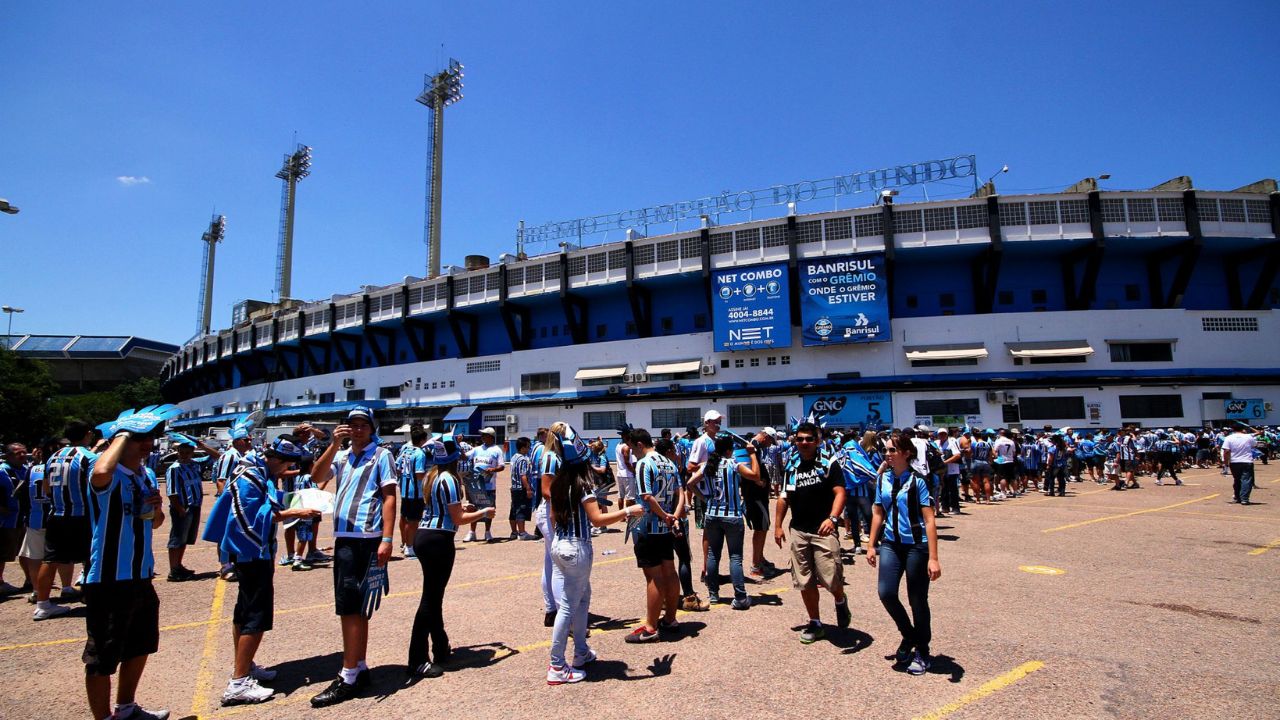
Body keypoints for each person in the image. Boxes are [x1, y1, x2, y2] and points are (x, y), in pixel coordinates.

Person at [204, 438, 321, 705]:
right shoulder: (251, 476)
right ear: (276, 459)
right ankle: (238, 682)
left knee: (244, 612)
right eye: (287, 464)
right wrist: (294, 511)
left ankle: (244, 665)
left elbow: (269, 500)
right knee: (256, 615)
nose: (287, 470)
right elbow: (249, 516)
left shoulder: (257, 470)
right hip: (252, 553)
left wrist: (295, 499)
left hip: (252, 552)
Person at [83, 405, 182, 720]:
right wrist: (123, 434)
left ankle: (126, 708)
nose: (147, 443)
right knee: (102, 655)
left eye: (150, 436)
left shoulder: (148, 473)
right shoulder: (106, 473)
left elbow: (155, 523)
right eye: (139, 438)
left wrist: (156, 510)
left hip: (141, 574)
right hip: (109, 576)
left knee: (141, 644)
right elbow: (100, 475)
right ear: (120, 441)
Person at [309, 407, 399, 708]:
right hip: (345, 537)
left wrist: (387, 538)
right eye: (352, 425)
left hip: (365, 538)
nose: (357, 430)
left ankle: (348, 675)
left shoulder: (381, 456)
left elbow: (389, 496)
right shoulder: (342, 454)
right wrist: (333, 444)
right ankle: (358, 666)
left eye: (363, 425)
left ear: (372, 428)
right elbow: (316, 476)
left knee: (351, 606)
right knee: (354, 606)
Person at [544, 424, 641, 684]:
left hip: (560, 545)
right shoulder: (583, 485)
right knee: (568, 606)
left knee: (583, 599)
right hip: (577, 547)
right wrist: (628, 512)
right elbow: (597, 520)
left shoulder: (557, 485)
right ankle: (556, 665)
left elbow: (553, 518)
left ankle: (581, 652)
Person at [407, 433, 495, 678]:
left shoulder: (433, 476)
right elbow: (458, 519)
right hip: (439, 539)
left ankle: (440, 646)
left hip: (426, 536)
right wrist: (484, 512)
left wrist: (464, 508)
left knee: (434, 596)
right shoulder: (450, 479)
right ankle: (417, 658)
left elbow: (447, 508)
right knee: (430, 599)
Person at [867, 432, 942, 676]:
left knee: (917, 599)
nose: (887, 454)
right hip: (890, 543)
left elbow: (929, 520)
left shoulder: (918, 480)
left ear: (906, 453)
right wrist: (871, 544)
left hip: (916, 546)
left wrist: (933, 557)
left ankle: (922, 649)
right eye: (886, 450)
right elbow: (877, 512)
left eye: (892, 450)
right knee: (886, 593)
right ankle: (909, 635)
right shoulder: (882, 480)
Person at [773, 422, 851, 643]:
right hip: (799, 530)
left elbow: (840, 492)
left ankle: (840, 599)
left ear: (817, 441)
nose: (804, 443)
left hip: (823, 530)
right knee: (804, 580)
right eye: (800, 439)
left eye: (809, 439)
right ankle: (815, 622)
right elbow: (784, 498)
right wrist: (778, 526)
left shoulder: (827, 463)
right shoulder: (792, 466)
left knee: (832, 578)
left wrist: (833, 519)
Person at [625, 429, 686, 643]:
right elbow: (681, 493)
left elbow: (646, 496)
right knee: (669, 571)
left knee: (653, 575)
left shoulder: (644, 463)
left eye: (632, 447)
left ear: (640, 444)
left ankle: (650, 627)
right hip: (665, 526)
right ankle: (670, 618)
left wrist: (665, 515)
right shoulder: (668, 462)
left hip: (647, 525)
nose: (632, 452)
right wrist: (674, 516)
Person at [35, 420, 98, 620]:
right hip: (81, 515)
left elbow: (46, 488)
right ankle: (91, 597)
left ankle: (43, 604)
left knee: (51, 559)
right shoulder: (89, 457)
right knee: (91, 557)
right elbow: (95, 487)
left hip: (56, 514)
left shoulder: (53, 456)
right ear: (88, 434)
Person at [688, 434, 758, 610]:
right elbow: (755, 475)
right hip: (732, 514)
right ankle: (740, 596)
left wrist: (704, 498)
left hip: (712, 514)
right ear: (729, 450)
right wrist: (752, 454)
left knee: (713, 554)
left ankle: (713, 594)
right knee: (735, 556)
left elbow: (690, 483)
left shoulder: (707, 466)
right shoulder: (733, 464)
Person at [163, 432, 216, 581]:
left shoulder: (195, 464)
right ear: (178, 452)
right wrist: (179, 508)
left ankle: (178, 565)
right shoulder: (174, 469)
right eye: (182, 452)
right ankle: (173, 569)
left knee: (185, 539)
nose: (185, 455)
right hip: (183, 506)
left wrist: (202, 445)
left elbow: (216, 456)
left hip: (194, 505)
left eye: (188, 452)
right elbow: (172, 492)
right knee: (177, 538)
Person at [742, 428, 776, 575]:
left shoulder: (756, 448)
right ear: (766, 437)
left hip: (758, 496)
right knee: (760, 529)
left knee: (762, 527)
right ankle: (756, 565)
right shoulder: (751, 447)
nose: (770, 445)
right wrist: (757, 481)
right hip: (754, 496)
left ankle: (760, 558)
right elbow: (744, 467)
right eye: (770, 441)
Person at [463, 428, 504, 543]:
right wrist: (457, 445)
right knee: (473, 508)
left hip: (489, 485)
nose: (482, 437)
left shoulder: (497, 450)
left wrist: (492, 469)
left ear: (491, 436)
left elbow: (502, 466)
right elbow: (464, 457)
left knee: (489, 508)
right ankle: (472, 532)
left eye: (484, 435)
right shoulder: (476, 449)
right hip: (475, 485)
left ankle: (487, 532)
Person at [396, 424, 430, 558]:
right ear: (422, 440)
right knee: (414, 521)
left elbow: (398, 468)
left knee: (404, 517)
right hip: (415, 492)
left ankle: (405, 543)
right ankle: (410, 547)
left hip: (404, 490)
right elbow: (419, 474)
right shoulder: (419, 453)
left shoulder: (405, 450)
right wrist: (430, 475)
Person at [0, 443, 28, 594]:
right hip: (5, 520)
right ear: (8, 456)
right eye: (18, 453)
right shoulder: (2, 471)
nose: (22, 455)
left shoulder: (25, 470)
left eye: (24, 452)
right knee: (1, 553)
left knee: (24, 552)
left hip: (21, 518)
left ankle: (30, 580)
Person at [1222, 424, 1258, 505]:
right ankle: (1244, 498)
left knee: (1237, 480)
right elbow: (1254, 445)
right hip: (1247, 461)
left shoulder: (1229, 438)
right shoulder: (1248, 437)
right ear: (1242, 429)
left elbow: (1226, 451)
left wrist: (1225, 463)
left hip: (1234, 462)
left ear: (1232, 429)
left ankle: (1237, 497)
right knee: (1246, 480)